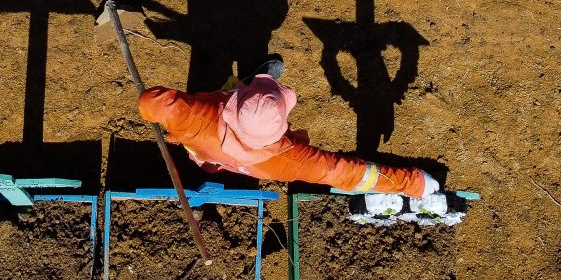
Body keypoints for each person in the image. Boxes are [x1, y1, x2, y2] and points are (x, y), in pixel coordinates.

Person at [137, 58, 440, 199]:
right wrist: (412, 183)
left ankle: (250, 85)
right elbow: (346, 172)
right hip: (252, 164)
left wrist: (153, 111)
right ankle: (256, 84)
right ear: (280, 128)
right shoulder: (290, 159)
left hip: (209, 155)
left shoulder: (196, 117)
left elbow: (152, 102)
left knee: (221, 98)